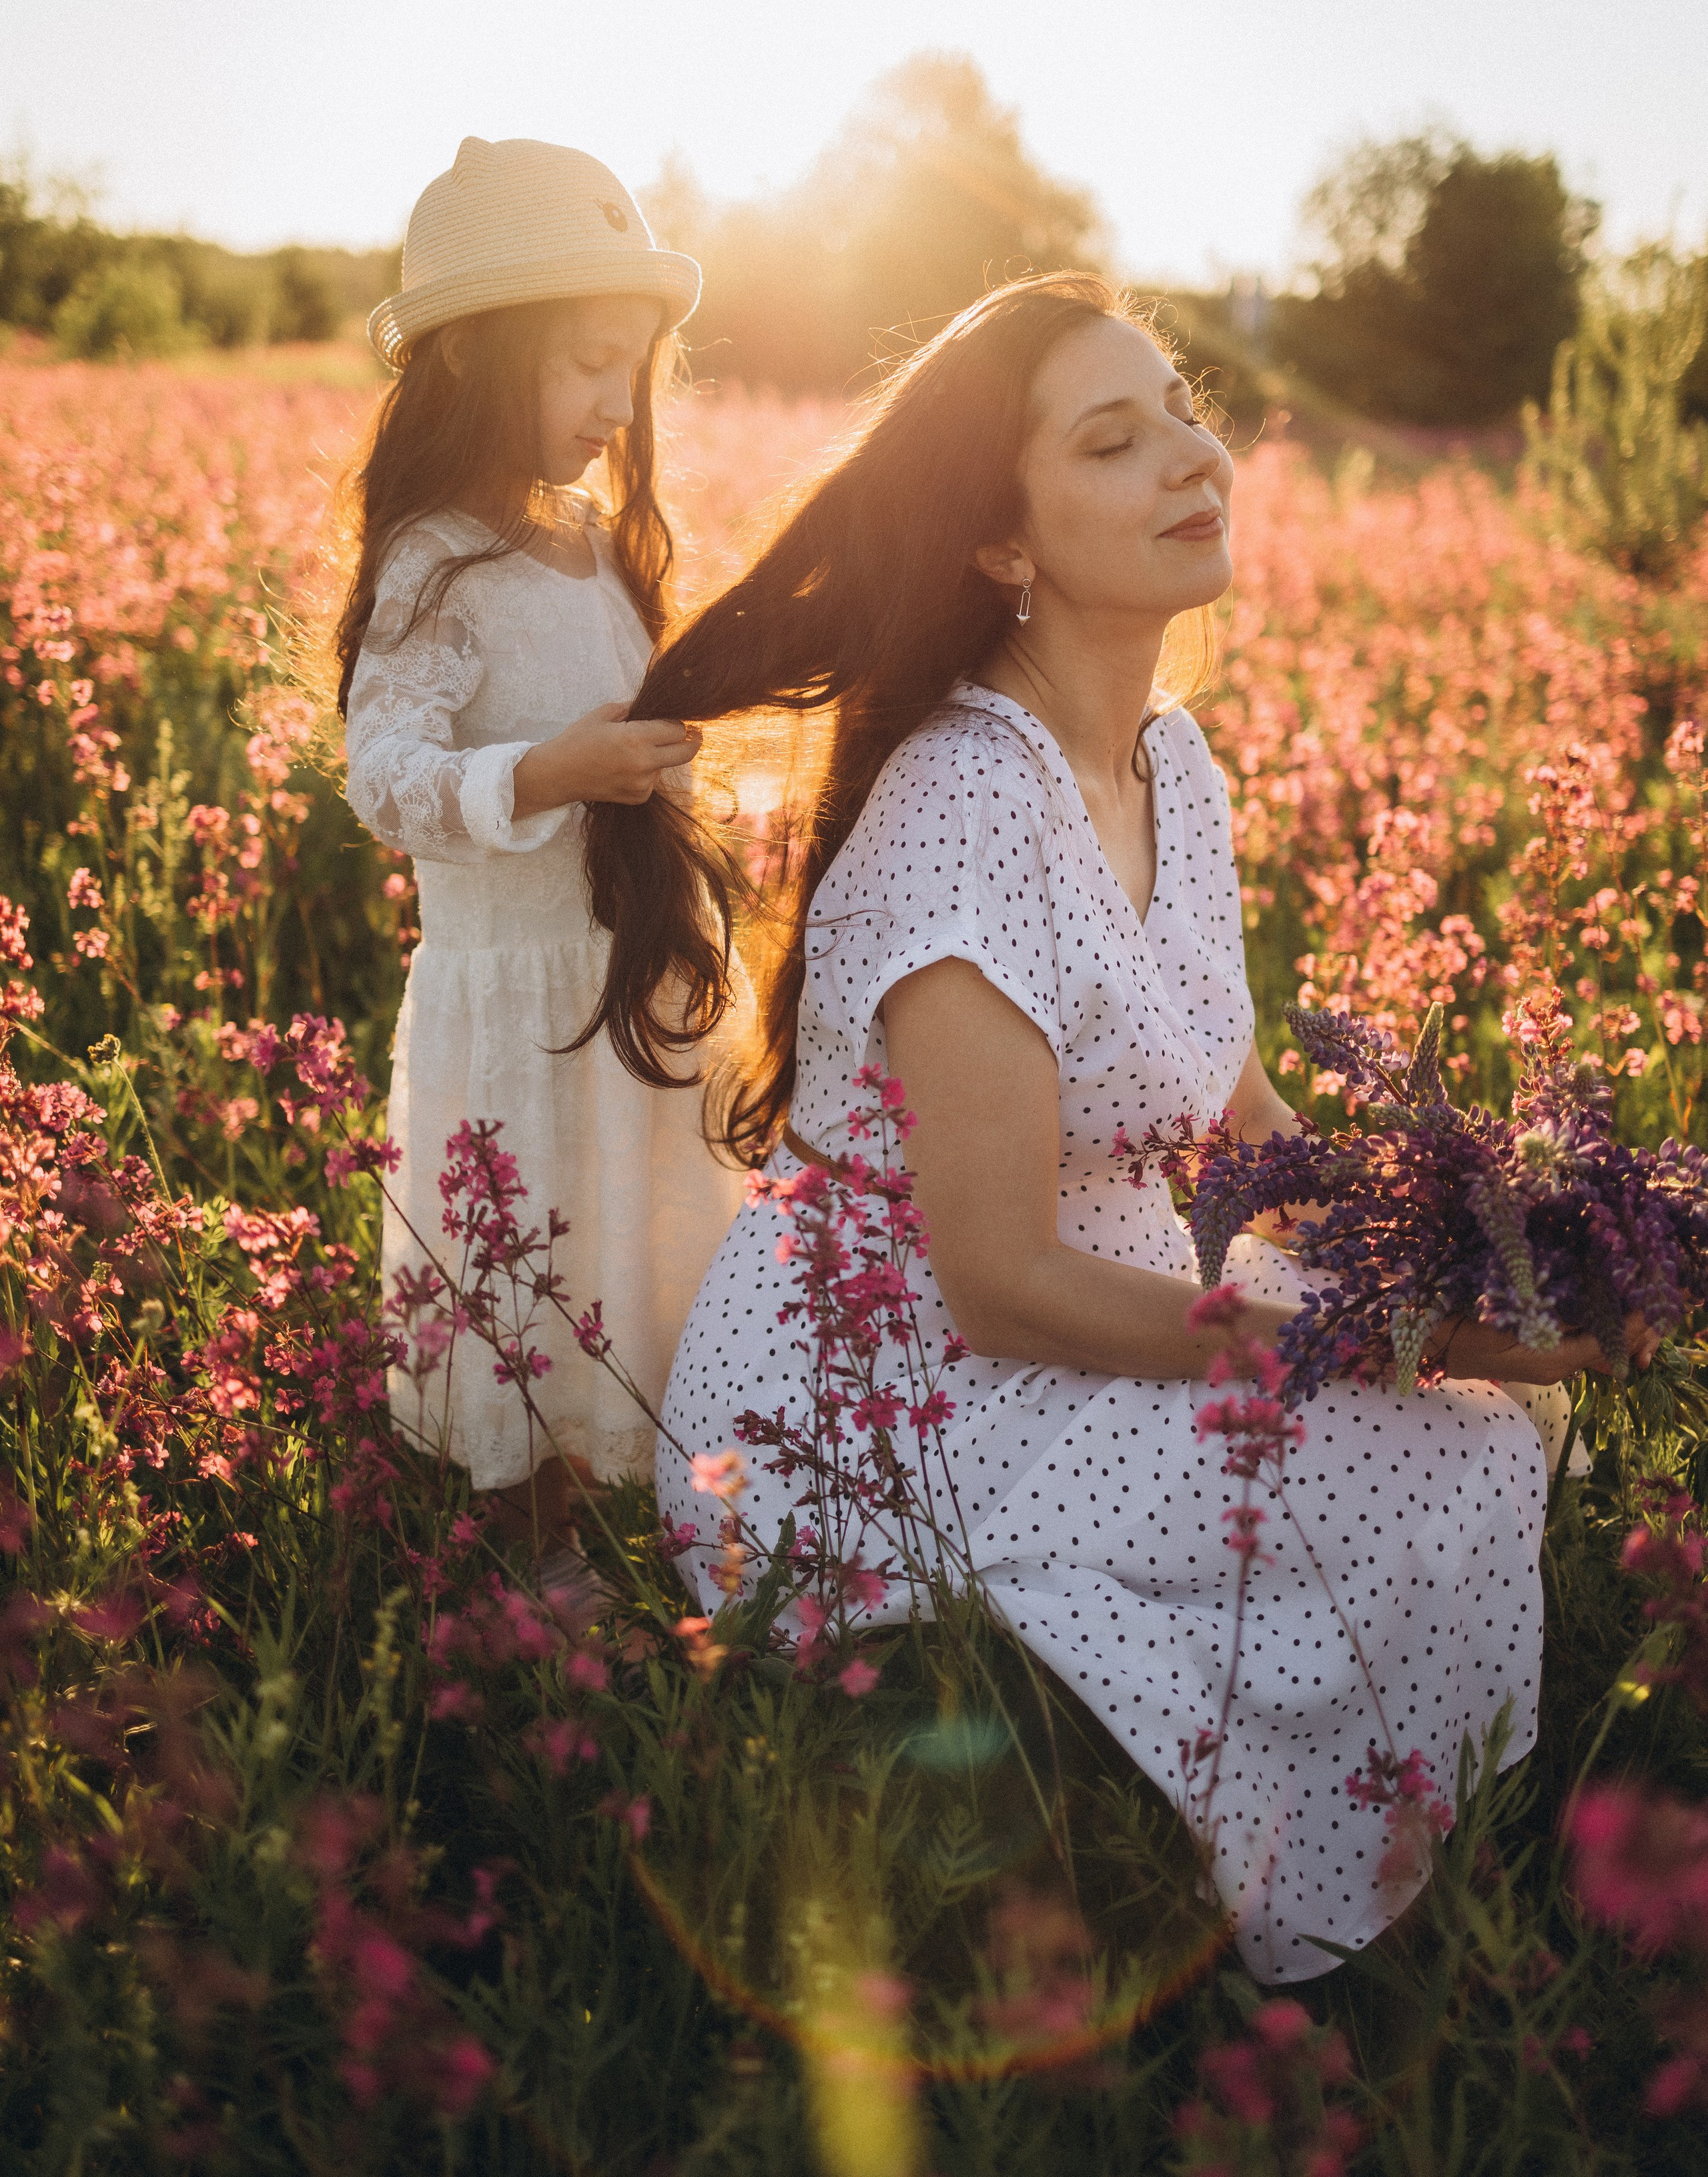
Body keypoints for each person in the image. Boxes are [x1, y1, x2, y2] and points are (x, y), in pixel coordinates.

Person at [572, 272, 1659, 1981]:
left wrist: (1469, 1245)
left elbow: (1234, 1123)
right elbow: (996, 1280)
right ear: (1002, 546)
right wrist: (1374, 1342)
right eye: (1112, 437)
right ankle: (1285, 1901)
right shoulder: (960, 804)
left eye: (1180, 409)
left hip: (1094, 1298)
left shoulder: (1174, 761)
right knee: (1439, 1451)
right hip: (893, 1388)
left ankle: (1340, 1839)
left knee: (1490, 1428)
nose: (1189, 456)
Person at [334, 135, 743, 1560]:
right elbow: (383, 781)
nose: (619, 405)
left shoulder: (597, 544)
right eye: (586, 364)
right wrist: (549, 771)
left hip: (622, 981)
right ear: (469, 364)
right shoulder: (434, 559)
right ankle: (531, 1569)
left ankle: (633, 1539)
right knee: (530, 1281)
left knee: (630, 1263)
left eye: (632, 368)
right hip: (512, 1003)